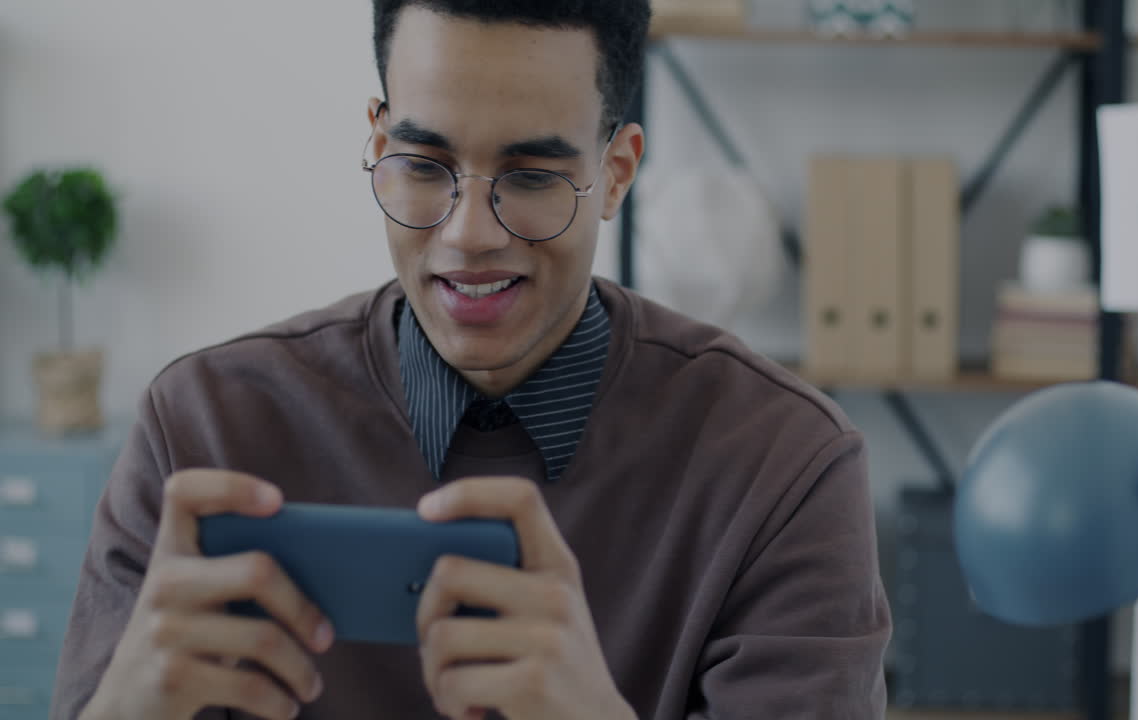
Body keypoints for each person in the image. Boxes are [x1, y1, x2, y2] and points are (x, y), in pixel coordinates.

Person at [51, 2, 891, 718]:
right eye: (425, 165)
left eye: (531, 177)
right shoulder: (199, 428)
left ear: (616, 173)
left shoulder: (784, 466)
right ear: (378, 141)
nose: (468, 235)